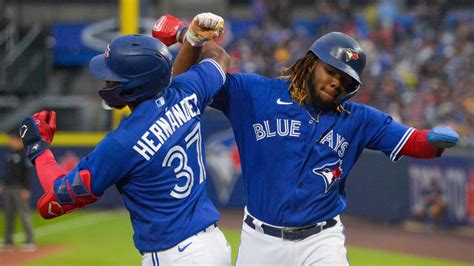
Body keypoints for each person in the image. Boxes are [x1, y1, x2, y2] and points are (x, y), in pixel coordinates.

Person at [153, 14, 460, 265]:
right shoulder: (255, 93)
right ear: (311, 62)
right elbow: (183, 88)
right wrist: (189, 39)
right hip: (260, 241)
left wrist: (433, 141)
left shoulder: (358, 119)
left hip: (321, 241)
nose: (336, 83)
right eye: (331, 71)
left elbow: (413, 142)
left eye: (346, 81)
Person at [19, 13, 231, 265]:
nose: (107, 82)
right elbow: (220, 57)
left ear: (134, 87)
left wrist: (38, 148)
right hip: (212, 244)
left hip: (177, 254)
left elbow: (55, 201)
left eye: (113, 78)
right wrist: (188, 35)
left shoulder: (122, 142)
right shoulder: (188, 90)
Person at [1, 130, 35, 250]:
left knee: (24, 214)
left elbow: (28, 173)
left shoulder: (25, 154)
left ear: (19, 140)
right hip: (8, 188)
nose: (11, 141)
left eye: (13, 139)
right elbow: (8, 172)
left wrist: (26, 188)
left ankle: (30, 240)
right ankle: (8, 240)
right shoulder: (9, 154)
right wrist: (3, 184)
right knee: (9, 215)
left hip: (19, 188)